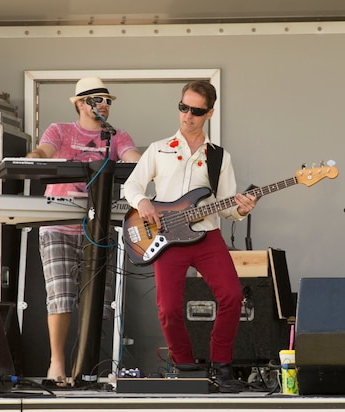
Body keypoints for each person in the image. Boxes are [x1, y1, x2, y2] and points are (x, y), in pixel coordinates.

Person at [121, 80, 256, 393]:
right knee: (167, 309)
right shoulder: (158, 149)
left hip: (207, 236)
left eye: (196, 110)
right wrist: (142, 202)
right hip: (167, 237)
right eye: (183, 107)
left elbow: (226, 207)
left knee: (233, 297)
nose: (187, 116)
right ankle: (185, 367)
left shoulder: (219, 157)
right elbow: (132, 186)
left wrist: (243, 208)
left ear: (209, 113)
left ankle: (221, 365)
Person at [25, 77, 141, 387]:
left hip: (98, 226)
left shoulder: (115, 136)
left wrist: (147, 165)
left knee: (99, 303)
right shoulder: (60, 130)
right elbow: (44, 151)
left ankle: (87, 367)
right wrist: (34, 158)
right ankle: (58, 362)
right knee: (61, 297)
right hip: (60, 225)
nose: (103, 104)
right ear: (79, 103)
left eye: (107, 100)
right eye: (96, 99)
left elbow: (135, 162)